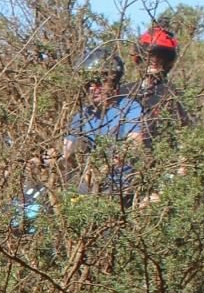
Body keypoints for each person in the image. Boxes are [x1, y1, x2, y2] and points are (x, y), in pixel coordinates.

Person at [59, 46, 145, 205]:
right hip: (90, 183)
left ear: (113, 80)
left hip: (122, 186)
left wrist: (106, 165)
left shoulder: (129, 107)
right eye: (89, 83)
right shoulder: (82, 115)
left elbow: (134, 144)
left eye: (99, 82)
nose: (93, 88)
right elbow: (66, 152)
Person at [127, 22, 194, 172]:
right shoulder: (126, 92)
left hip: (159, 170)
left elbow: (186, 137)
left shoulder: (173, 95)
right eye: (150, 55)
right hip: (123, 170)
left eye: (161, 57)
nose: (155, 61)